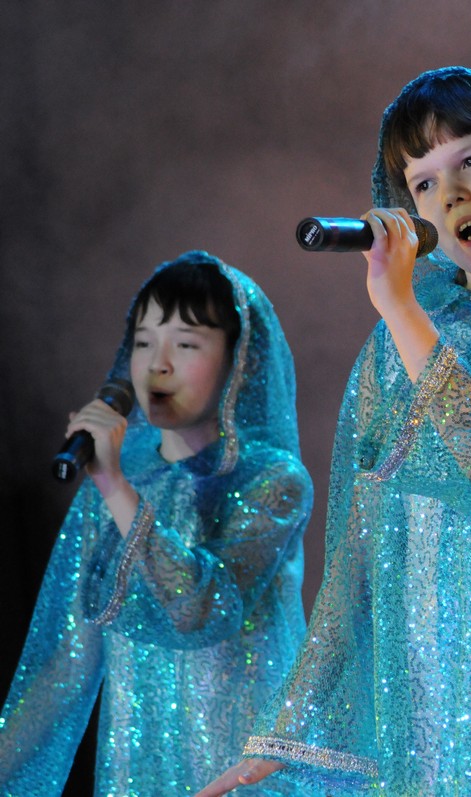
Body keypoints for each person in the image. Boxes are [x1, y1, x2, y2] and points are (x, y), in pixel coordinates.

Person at [199, 67, 471, 796]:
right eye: (424, 182)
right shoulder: (399, 346)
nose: (452, 195)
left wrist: (402, 311)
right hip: (435, 714)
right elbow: (359, 553)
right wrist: (286, 729)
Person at [0, 251, 312, 796]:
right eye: (143, 342)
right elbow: (65, 666)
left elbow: (202, 610)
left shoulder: (274, 480)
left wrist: (115, 487)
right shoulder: (119, 476)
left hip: (244, 775)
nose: (156, 364)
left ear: (243, 360)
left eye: (185, 344)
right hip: (141, 771)